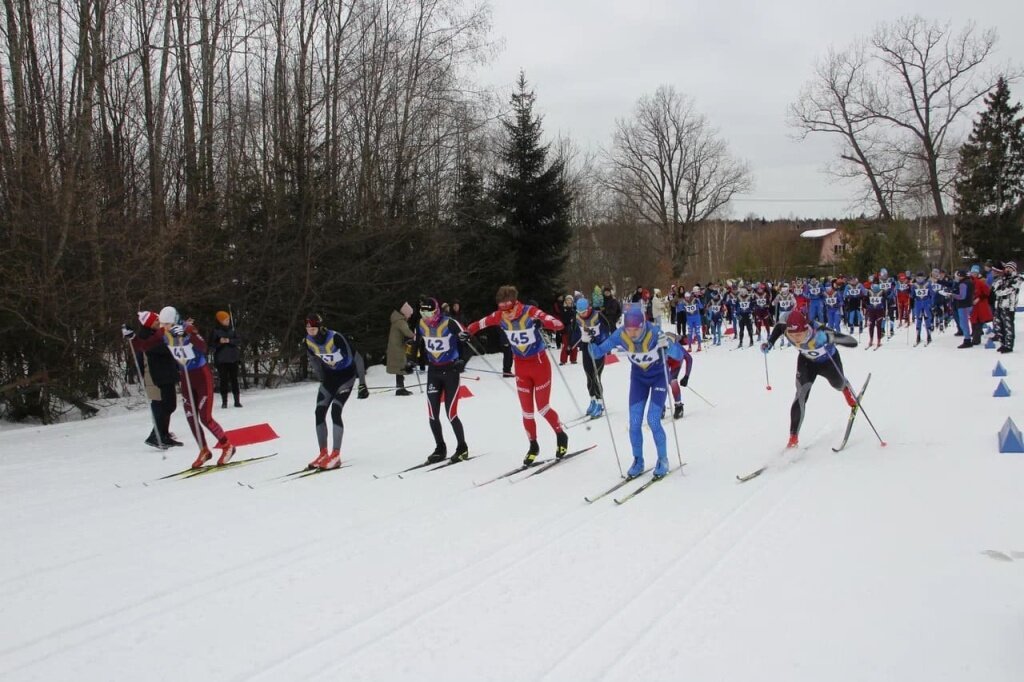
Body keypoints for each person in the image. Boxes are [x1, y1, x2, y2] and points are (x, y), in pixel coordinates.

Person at [463, 285, 567, 465]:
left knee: (542, 408)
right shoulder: (499, 315)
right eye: (503, 310)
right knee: (527, 412)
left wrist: (543, 323)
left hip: (539, 365)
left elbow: (559, 324)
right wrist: (467, 332)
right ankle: (533, 446)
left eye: (509, 310)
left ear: (516, 303)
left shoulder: (530, 312)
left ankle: (561, 435)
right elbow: (480, 323)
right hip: (521, 367)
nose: (507, 314)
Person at [126, 306, 236, 468]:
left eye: (168, 324)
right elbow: (145, 346)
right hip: (186, 377)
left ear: (175, 320)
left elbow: (203, 347)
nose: (165, 328)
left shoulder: (188, 328)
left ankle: (227, 446)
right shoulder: (163, 332)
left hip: (201, 375)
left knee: (205, 417)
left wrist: (186, 335)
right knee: (191, 417)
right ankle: (204, 450)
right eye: (163, 324)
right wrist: (132, 337)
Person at [589, 303, 684, 478]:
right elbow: (598, 352)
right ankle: (638, 460)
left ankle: (663, 459)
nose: (632, 334)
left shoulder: (655, 333)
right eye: (629, 329)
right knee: (634, 423)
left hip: (658, 378)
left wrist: (669, 345)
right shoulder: (621, 334)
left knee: (653, 419)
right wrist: (590, 343)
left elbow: (679, 355)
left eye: (636, 330)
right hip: (638, 380)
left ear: (643, 325)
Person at [761, 308, 858, 448]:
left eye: (800, 334)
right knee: (800, 394)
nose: (796, 339)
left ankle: (845, 388)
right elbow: (778, 329)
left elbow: (852, 342)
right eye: (792, 335)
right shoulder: (785, 325)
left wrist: (829, 338)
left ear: (806, 328)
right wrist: (769, 343)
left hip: (828, 362)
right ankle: (793, 437)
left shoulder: (820, 330)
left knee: (837, 384)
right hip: (806, 362)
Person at [303, 314, 365, 469]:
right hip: (330, 379)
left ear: (321, 327)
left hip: (346, 378)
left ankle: (336, 454)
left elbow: (357, 358)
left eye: (314, 329)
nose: (311, 332)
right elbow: (314, 360)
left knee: (335, 412)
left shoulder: (336, 338)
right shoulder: (308, 341)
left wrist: (362, 383)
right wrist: (321, 378)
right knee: (319, 412)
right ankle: (323, 453)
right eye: (308, 329)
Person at [415, 297, 470, 463]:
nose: (426, 316)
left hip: (451, 370)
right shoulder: (421, 324)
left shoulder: (450, 323)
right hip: (434, 371)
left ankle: (462, 448)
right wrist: (412, 359)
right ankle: (440, 448)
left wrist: (462, 361)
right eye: (422, 312)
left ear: (436, 311)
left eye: (429, 312)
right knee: (432, 413)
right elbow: (418, 344)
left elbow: (468, 343)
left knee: (451, 413)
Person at [134, 311, 183, 448]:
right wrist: (172, 338)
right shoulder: (147, 337)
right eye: (156, 321)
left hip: (166, 371)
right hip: (160, 373)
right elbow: (164, 348)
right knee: (166, 405)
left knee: (168, 404)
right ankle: (155, 435)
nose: (159, 324)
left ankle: (163, 434)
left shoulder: (155, 334)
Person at [574, 297, 613, 418]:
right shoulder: (578, 317)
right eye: (580, 312)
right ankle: (593, 400)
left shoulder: (598, 315)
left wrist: (597, 339)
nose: (582, 314)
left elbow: (608, 331)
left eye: (584, 311)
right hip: (586, 347)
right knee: (588, 375)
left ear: (589, 308)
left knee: (596, 376)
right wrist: (571, 344)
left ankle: (600, 403)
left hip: (598, 348)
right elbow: (576, 331)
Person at [210, 310, 242, 408]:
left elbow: (239, 341)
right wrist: (220, 342)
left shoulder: (232, 330)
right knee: (223, 380)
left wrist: (229, 340)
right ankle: (224, 401)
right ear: (220, 321)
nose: (227, 321)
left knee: (234, 379)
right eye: (225, 320)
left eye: (228, 319)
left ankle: (237, 401)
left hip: (233, 358)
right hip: (222, 360)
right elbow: (211, 345)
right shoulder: (215, 331)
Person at [387, 302, 416, 395]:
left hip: (395, 346)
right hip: (397, 347)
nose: (410, 316)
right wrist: (414, 336)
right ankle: (400, 388)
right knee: (400, 367)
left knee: (399, 367)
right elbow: (407, 332)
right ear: (406, 313)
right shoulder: (401, 321)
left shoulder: (397, 320)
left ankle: (400, 387)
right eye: (410, 314)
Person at [994, 261, 1019, 353]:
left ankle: (1009, 345)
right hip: (999, 305)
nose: (1007, 269)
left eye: (1010, 268)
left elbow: (1009, 290)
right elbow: (995, 288)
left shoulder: (1017, 279)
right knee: (999, 325)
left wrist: (1001, 291)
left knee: (1008, 326)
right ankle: (1002, 343)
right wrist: (1000, 290)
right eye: (1007, 267)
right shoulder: (1002, 279)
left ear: (1014, 269)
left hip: (1009, 306)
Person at [969, 265, 993, 347]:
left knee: (978, 322)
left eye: (975, 273)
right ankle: (975, 337)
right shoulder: (969, 281)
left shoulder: (981, 282)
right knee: (973, 321)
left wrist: (979, 298)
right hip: (973, 306)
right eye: (973, 272)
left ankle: (976, 339)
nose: (974, 274)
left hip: (980, 305)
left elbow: (987, 292)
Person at [911, 272, 935, 346]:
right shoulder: (914, 285)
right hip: (918, 304)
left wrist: (932, 304)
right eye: (918, 278)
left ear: (924, 278)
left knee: (927, 319)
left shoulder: (928, 284)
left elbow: (932, 294)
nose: (920, 279)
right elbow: (912, 295)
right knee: (919, 320)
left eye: (921, 278)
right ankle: (918, 336)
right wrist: (911, 302)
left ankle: (929, 336)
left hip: (926, 303)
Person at [864, 283, 887, 349]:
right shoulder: (880, 291)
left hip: (874, 310)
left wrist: (867, 306)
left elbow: (865, 300)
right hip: (877, 310)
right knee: (877, 326)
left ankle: (874, 340)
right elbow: (886, 300)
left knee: (872, 326)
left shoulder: (871, 291)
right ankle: (876, 341)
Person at [558, 294, 579, 365]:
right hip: (565, 330)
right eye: (567, 300)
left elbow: (577, 318)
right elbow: (563, 318)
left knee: (574, 345)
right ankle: (563, 360)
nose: (569, 301)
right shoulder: (563, 308)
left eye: (570, 300)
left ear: (572, 301)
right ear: (565, 301)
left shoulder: (575, 309)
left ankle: (573, 359)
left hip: (574, 329)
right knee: (566, 345)